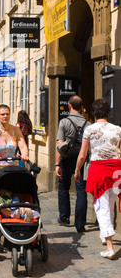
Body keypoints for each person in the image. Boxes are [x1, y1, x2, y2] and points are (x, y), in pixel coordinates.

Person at [74, 98, 121, 259]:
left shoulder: (90, 130)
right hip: (116, 170)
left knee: (102, 207)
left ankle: (109, 247)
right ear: (108, 112)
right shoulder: (117, 129)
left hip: (99, 170)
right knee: (110, 205)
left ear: (94, 113)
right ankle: (105, 236)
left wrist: (77, 170)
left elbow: (82, 155)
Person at [0, 104, 29, 244]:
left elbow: (22, 146)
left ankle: (13, 224)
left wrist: (25, 155)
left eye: (7, 114)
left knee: (14, 196)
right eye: (2, 114)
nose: (5, 116)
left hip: (12, 171)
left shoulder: (15, 130)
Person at [56, 95, 90, 232]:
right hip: (81, 160)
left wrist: (57, 164)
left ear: (69, 106)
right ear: (81, 107)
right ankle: (80, 224)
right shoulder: (88, 124)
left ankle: (64, 217)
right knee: (81, 191)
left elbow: (59, 145)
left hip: (66, 158)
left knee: (64, 187)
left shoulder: (64, 122)